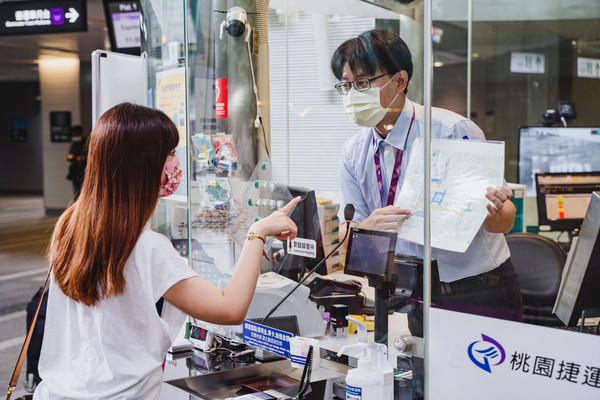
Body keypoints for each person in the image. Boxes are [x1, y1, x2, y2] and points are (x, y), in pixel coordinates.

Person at [33, 103, 300, 400]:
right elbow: (230, 309)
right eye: (171, 154)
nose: (175, 163)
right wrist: (258, 232)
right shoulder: (147, 247)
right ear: (145, 164)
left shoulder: (68, 225)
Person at [331, 29, 522, 337]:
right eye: (346, 85)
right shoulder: (353, 153)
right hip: (412, 290)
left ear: (400, 81)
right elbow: (348, 234)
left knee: (490, 383)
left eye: (364, 83)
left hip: (479, 285)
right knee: (426, 382)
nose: (353, 94)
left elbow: (505, 221)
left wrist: (488, 211)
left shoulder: (451, 131)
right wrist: (368, 229)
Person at [66, 125, 88, 199]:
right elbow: (69, 156)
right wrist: (71, 157)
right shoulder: (74, 143)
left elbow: (88, 157)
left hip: (84, 170)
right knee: (76, 192)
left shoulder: (87, 142)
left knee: (84, 191)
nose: (75, 136)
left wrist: (80, 158)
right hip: (75, 172)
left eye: (76, 135)